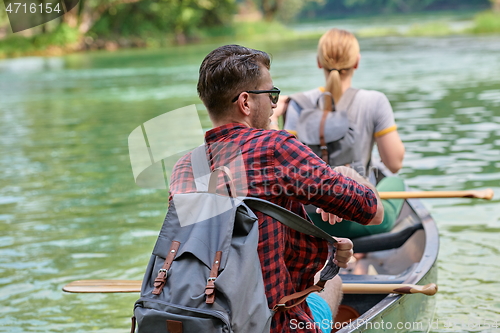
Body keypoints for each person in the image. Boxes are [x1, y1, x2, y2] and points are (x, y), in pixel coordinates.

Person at [168, 44, 384, 333]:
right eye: (270, 94)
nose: (274, 104)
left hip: (204, 322)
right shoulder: (276, 148)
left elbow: (225, 238)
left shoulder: (184, 166)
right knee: (331, 279)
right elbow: (373, 211)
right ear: (245, 102)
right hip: (276, 326)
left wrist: (323, 240)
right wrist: (349, 175)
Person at [270, 28, 405, 238]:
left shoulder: (298, 104)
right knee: (397, 182)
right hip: (360, 217)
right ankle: (358, 252)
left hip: (308, 220)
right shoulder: (375, 101)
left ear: (318, 62)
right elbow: (394, 164)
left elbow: (284, 164)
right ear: (357, 62)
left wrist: (273, 117)